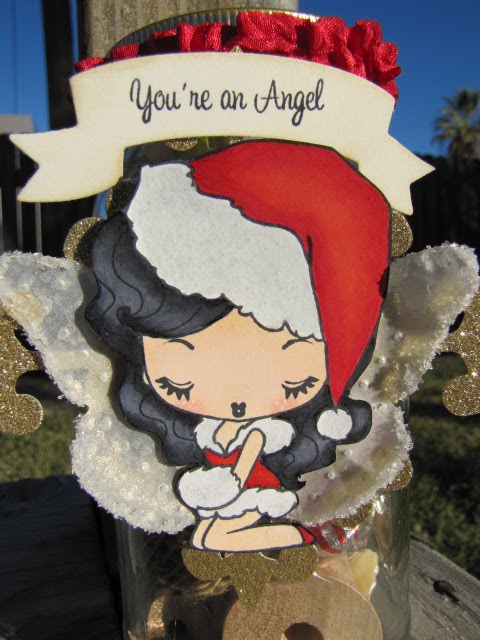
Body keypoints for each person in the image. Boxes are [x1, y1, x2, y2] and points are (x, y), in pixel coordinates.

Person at [86, 140, 390, 551]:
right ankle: (290, 535)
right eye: (180, 383)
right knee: (210, 534)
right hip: (220, 485)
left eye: (293, 381)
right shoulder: (200, 431)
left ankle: (291, 534)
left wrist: (227, 483)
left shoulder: (263, 433)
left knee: (214, 533)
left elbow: (248, 457)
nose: (237, 399)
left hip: (251, 483)